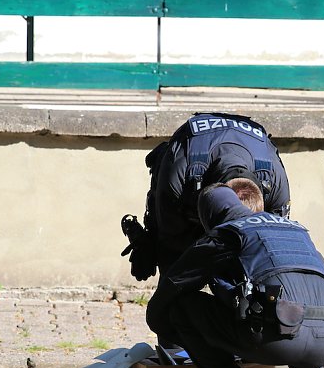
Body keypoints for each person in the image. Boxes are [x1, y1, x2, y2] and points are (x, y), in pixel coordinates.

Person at [146, 182, 324, 368]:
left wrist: (163, 326)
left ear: (209, 215)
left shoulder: (227, 232)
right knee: (298, 306)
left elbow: (174, 284)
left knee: (182, 308)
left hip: (278, 340)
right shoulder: (296, 229)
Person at [124, 112, 291, 281]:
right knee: (174, 274)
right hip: (188, 188)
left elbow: (275, 244)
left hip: (224, 169)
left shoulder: (274, 182)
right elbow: (170, 241)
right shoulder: (179, 175)